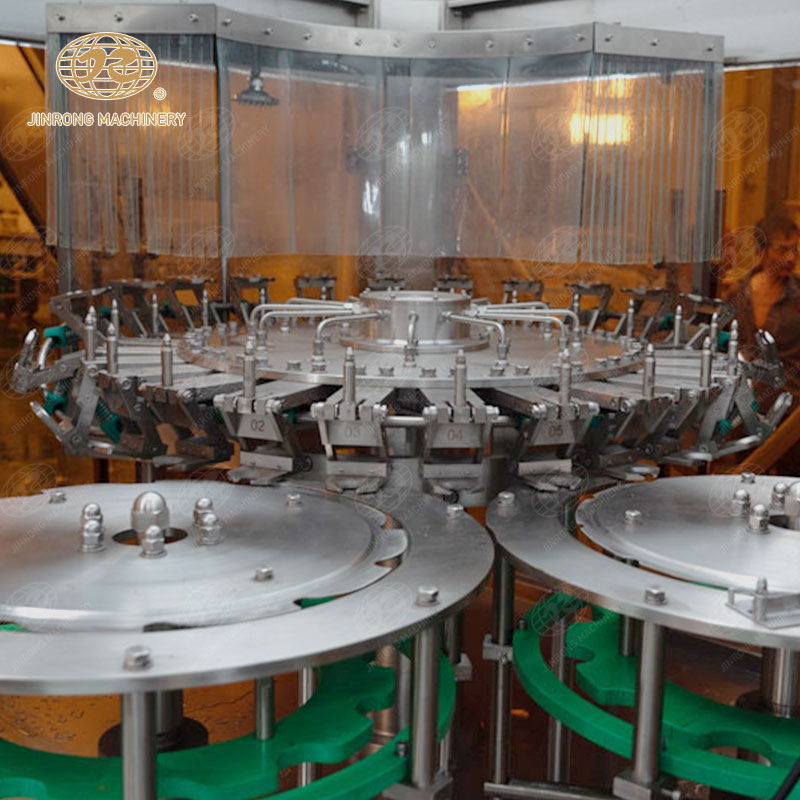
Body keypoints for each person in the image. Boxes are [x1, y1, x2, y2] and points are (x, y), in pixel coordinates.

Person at [729, 213, 800, 398]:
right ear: (760, 251)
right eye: (782, 250)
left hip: (791, 400)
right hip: (742, 400)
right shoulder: (738, 295)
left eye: (794, 249)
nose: (791, 258)